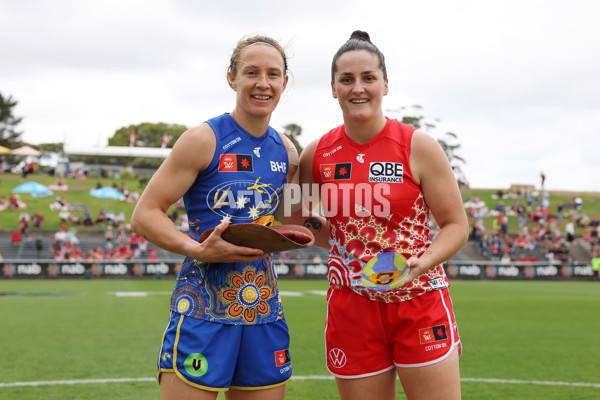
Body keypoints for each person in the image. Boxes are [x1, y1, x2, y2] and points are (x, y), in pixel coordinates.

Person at [298, 31, 469, 400]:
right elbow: (293, 217)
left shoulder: (417, 146)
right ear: (333, 88)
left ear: (385, 85)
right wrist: (337, 239)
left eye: (368, 78)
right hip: (351, 306)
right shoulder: (319, 154)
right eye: (347, 80)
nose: (358, 88)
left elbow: (456, 225)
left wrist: (423, 262)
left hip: (418, 300)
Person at [131, 34, 297, 400]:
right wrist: (198, 249)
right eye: (251, 72)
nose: (263, 83)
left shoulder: (286, 151)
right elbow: (144, 215)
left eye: (273, 74)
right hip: (203, 308)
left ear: (285, 82)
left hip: (262, 309)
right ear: (232, 78)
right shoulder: (203, 139)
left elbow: (285, 220)